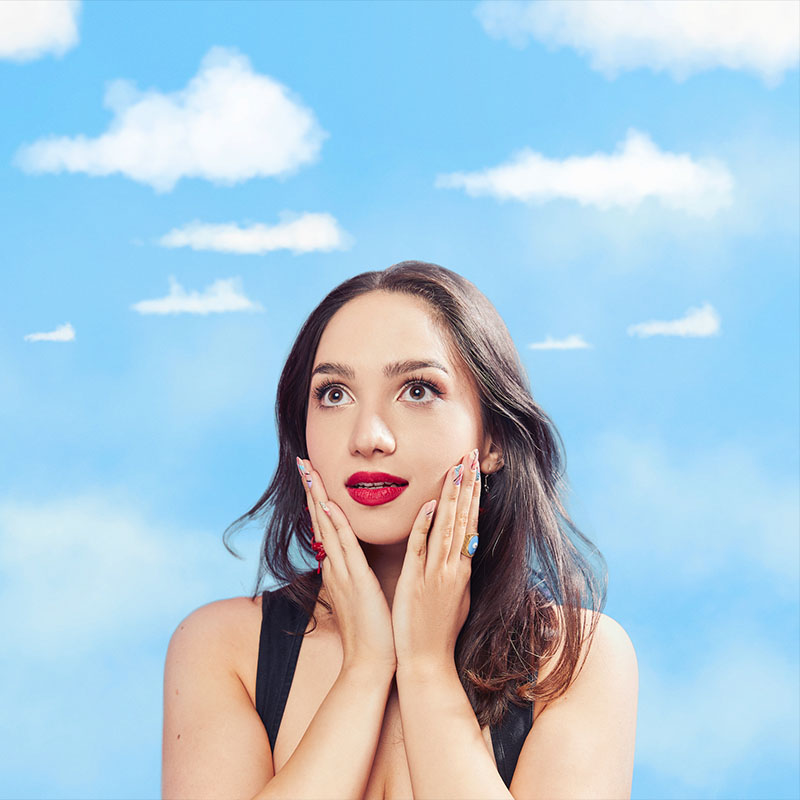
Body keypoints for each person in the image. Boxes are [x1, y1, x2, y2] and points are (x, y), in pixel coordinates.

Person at [161, 260, 638, 799]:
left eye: (417, 390)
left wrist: (426, 668)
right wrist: (365, 667)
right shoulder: (223, 649)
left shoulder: (576, 658)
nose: (368, 436)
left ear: (494, 441)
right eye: (334, 394)